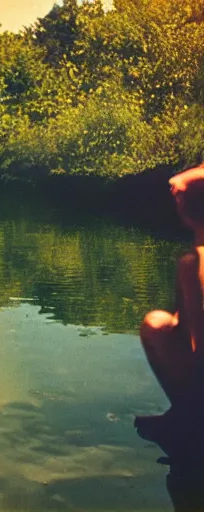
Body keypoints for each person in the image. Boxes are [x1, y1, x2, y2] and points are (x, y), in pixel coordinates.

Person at [135, 164, 204, 440]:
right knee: (168, 322)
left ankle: (188, 418)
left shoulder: (195, 264)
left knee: (157, 324)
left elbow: (200, 350)